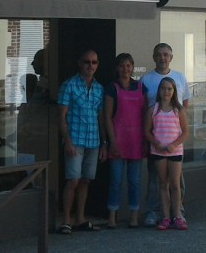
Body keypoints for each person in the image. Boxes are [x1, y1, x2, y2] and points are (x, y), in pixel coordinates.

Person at [57, 50, 107, 235]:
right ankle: (66, 220)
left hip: (93, 141)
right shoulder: (68, 85)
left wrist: (104, 143)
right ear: (80, 63)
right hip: (75, 140)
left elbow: (101, 118)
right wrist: (67, 141)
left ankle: (80, 218)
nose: (90, 66)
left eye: (94, 62)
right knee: (73, 180)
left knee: (86, 180)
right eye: (87, 62)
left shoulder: (99, 88)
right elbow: (61, 117)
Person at [140, 43, 190, 227]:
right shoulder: (146, 79)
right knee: (156, 180)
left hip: (175, 145)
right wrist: (153, 140)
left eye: (166, 54)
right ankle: (156, 212)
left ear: (171, 57)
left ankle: (178, 212)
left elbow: (185, 104)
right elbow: (144, 110)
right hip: (157, 142)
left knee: (177, 182)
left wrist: (176, 135)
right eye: (159, 54)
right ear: (154, 56)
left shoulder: (180, 77)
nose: (163, 57)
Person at [104, 53, 147, 228]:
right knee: (115, 180)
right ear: (117, 68)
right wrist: (112, 141)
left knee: (135, 181)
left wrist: (146, 139)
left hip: (136, 140)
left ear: (133, 67)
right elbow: (107, 116)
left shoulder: (141, 87)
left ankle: (134, 217)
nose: (125, 69)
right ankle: (112, 217)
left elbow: (146, 115)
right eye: (122, 65)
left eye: (128, 65)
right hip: (118, 140)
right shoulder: (111, 88)